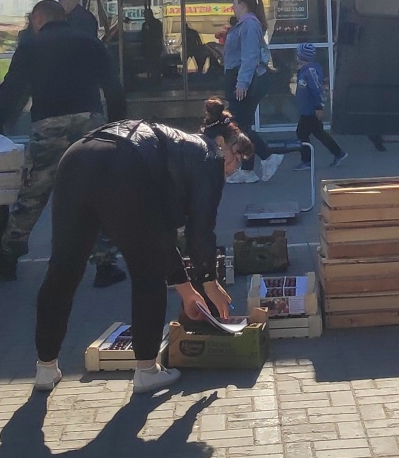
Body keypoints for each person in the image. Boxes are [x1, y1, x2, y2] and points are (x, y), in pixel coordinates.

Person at [33, 99, 253, 395]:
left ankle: (45, 368)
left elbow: (160, 235)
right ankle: (147, 370)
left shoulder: (175, 147)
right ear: (220, 141)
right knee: (146, 272)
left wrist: (188, 291)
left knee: (63, 268)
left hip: (76, 158)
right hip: (123, 164)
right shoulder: (208, 157)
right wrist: (209, 283)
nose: (235, 166)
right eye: (237, 155)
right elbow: (200, 232)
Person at [0, 0, 126, 275]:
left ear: (39, 19)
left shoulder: (31, 46)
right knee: (97, 191)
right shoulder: (90, 43)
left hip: (48, 124)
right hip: (90, 122)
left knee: (34, 191)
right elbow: (112, 86)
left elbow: (13, 89)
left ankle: (7, 257)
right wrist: (118, 125)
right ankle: (105, 263)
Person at [222, 0, 282, 181]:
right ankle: (248, 170)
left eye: (235, 3)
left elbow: (249, 56)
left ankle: (268, 157)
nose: (233, 7)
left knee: (239, 126)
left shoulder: (248, 25)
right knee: (242, 124)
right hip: (240, 76)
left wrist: (242, 82)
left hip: (243, 77)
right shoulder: (246, 24)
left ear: (243, 5)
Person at [292, 42, 345, 170]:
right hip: (307, 109)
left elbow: (317, 89)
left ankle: (307, 161)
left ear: (301, 56)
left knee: (301, 133)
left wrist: (319, 107)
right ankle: (338, 153)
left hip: (311, 110)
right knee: (319, 133)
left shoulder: (310, 71)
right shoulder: (304, 71)